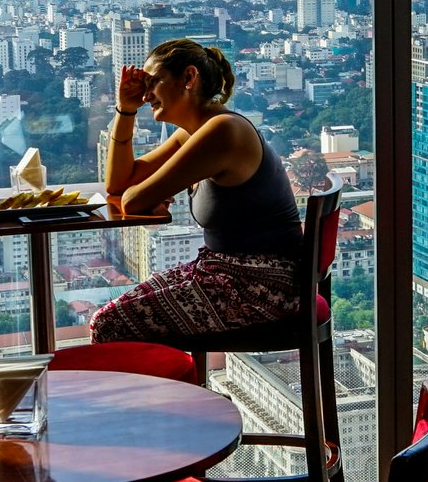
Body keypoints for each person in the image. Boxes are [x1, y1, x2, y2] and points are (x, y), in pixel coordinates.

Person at [89, 38, 303, 341]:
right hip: (224, 271)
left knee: (107, 323)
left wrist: (147, 195)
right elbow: (119, 184)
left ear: (189, 78)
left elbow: (132, 200)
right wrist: (125, 110)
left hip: (261, 286)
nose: (146, 96)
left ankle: (164, 375)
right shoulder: (193, 133)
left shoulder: (223, 131)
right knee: (111, 317)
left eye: (154, 83)